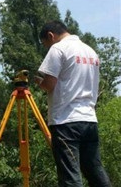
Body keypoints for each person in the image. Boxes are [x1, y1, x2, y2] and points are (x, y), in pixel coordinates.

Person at [35, 20, 112, 187]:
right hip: (89, 120)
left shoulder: (58, 48)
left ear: (51, 35)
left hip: (66, 122)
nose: (47, 48)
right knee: (95, 170)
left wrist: (38, 82)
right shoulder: (90, 51)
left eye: (45, 44)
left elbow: (49, 84)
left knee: (70, 177)